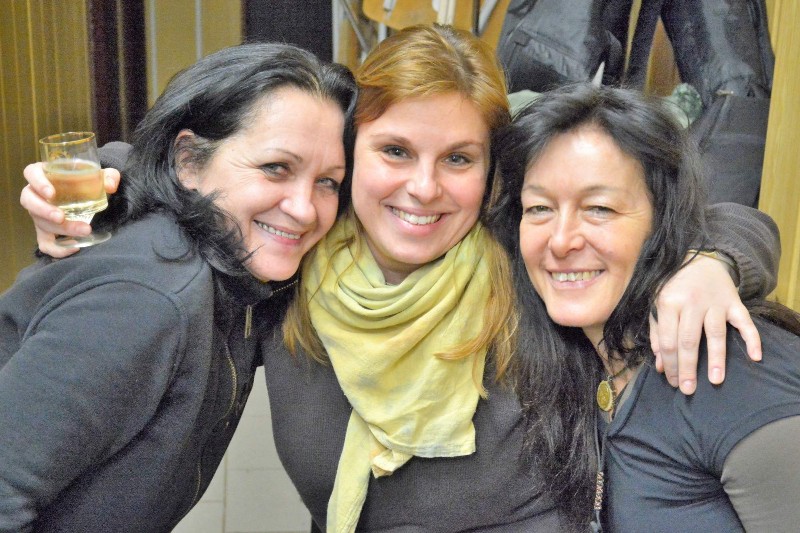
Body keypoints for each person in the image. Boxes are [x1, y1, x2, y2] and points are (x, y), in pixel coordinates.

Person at [20, 25, 779, 532]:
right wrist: (103, 190)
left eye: (458, 159)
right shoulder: (294, 259)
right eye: (394, 152)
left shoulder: (522, 252)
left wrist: (711, 262)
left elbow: (710, 217)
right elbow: (207, 177)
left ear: (492, 173)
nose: (423, 188)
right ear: (348, 155)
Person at [0, 43, 357, 532]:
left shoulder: (244, 267)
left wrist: (106, 169)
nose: (304, 208)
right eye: (276, 168)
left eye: (328, 182)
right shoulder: (146, 301)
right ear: (188, 161)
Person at [490, 82, 800, 531]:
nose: (560, 241)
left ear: (662, 221)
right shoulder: (580, 362)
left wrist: (716, 259)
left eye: (599, 208)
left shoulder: (732, 370)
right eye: (539, 208)